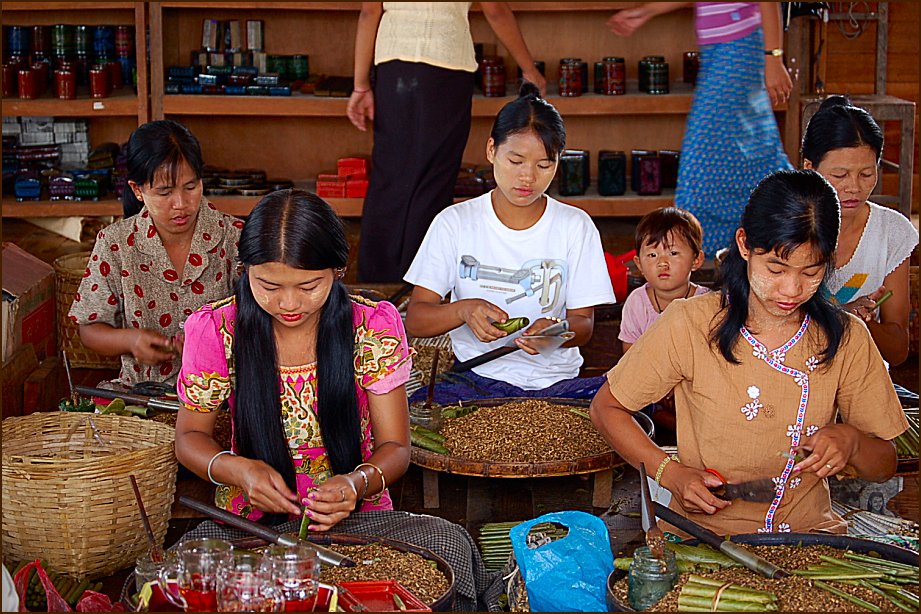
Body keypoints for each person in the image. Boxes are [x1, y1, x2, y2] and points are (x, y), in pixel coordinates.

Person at [174, 189, 501, 611]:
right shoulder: (216, 329)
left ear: (337, 270)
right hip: (252, 526)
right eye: (268, 285)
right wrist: (239, 470)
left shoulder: (372, 326)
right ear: (245, 271)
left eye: (309, 286)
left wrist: (354, 484)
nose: (289, 304)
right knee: (185, 565)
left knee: (450, 542)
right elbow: (189, 438)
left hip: (362, 523)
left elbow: (396, 449)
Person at [590, 169, 907, 537]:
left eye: (811, 271)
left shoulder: (847, 336)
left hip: (808, 538)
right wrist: (671, 474)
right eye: (775, 267)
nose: (791, 288)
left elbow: (884, 463)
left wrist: (851, 443)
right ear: (744, 245)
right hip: (703, 538)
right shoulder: (691, 323)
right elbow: (606, 408)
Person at [403, 82, 616, 405]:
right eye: (515, 161)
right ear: (491, 150)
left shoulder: (575, 225)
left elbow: (584, 325)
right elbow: (417, 318)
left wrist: (556, 332)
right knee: (416, 413)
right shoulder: (455, 222)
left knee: (622, 405)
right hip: (475, 378)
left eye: (544, 165)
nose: (527, 178)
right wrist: (463, 310)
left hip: (555, 381)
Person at [347, 2, 546, 283]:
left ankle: (374, 290)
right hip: (446, 67)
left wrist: (360, 85)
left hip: (393, 66)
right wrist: (529, 70)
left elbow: (369, 11)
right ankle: (422, 288)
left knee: (389, 177)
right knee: (433, 181)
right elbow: (496, 10)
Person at [608, 2, 794, 257]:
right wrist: (650, 11)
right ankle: (781, 221)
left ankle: (703, 250)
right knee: (749, 149)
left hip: (739, 46)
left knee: (702, 161)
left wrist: (773, 57)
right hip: (723, 48)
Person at [69, 120, 243, 388]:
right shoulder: (116, 244)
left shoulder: (233, 237)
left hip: (223, 393)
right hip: (143, 392)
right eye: (164, 192)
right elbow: (89, 328)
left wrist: (214, 343)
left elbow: (262, 320)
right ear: (137, 190)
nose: (181, 204)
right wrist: (131, 340)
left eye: (190, 186)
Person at [802, 95, 918, 367]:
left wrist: (859, 324)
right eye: (840, 175)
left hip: (864, 376)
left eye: (866, 174)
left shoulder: (891, 232)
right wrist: (839, 316)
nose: (854, 187)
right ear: (810, 168)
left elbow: (898, 350)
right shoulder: (787, 223)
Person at [619, 207, 709, 354]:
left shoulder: (706, 303)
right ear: (639, 264)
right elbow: (630, 357)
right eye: (652, 255)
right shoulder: (637, 302)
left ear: (696, 260)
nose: (662, 263)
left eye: (673, 253)